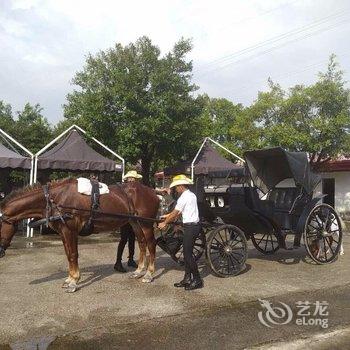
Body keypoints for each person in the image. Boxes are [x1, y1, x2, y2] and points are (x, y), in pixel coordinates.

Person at [158, 174, 203, 291]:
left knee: (188, 255)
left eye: (176, 187)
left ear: (181, 186)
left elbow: (176, 213)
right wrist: (167, 216)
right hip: (190, 226)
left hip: (191, 227)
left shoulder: (184, 197)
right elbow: (178, 212)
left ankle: (197, 280)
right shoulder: (189, 195)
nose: (175, 189)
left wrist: (165, 223)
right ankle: (187, 278)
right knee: (187, 254)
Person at [114, 170, 142, 273]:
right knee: (124, 239)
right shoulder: (124, 189)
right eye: (133, 178)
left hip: (132, 217)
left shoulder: (133, 189)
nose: (134, 180)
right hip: (125, 217)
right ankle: (118, 262)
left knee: (131, 239)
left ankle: (130, 259)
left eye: (135, 179)